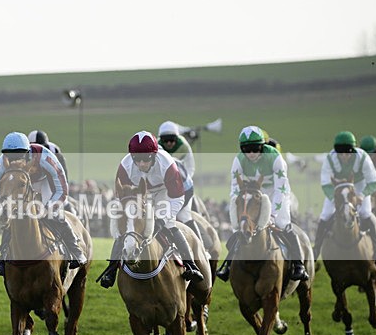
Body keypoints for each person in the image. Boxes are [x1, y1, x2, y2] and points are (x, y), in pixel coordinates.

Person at [98, 131, 204, 288]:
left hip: (165, 193)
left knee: (169, 225)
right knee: (127, 227)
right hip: (139, 195)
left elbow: (177, 197)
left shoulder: (167, 163)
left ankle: (191, 265)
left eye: (146, 159)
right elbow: (121, 197)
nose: (141, 164)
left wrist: (162, 219)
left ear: (154, 155)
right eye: (137, 159)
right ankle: (111, 270)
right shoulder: (125, 166)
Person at [215, 126, 308, 281]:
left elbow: (281, 188)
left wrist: (272, 215)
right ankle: (228, 266)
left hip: (277, 193)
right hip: (254, 194)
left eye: (255, 149)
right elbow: (235, 191)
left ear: (262, 146)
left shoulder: (275, 157)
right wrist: (238, 216)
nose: (251, 153)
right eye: (246, 149)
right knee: (240, 228)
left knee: (283, 224)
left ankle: (299, 265)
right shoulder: (238, 160)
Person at [0, 131, 86, 276]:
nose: (14, 160)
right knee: (12, 217)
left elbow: (61, 188)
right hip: (19, 183)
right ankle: (3, 257)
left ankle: (76, 251)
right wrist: (7, 205)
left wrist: (48, 208)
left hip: (45, 182)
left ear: (27, 152)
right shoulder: (0, 165)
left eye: (18, 156)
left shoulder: (44, 157)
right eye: (10, 156)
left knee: (54, 214)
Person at [312, 131, 376, 260]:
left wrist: (362, 195)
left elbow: (373, 182)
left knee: (365, 213)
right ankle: (316, 248)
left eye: (347, 153)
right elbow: (326, 184)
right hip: (338, 188)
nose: (344, 156)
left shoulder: (363, 157)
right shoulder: (330, 158)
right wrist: (334, 198)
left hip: (359, 185)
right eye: (341, 154)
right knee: (326, 214)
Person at [157, 120, 204, 242]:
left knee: (184, 216)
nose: (169, 143)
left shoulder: (184, 146)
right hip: (164, 187)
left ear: (177, 138)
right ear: (160, 139)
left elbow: (190, 168)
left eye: (172, 140)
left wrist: (177, 182)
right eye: (165, 140)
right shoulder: (156, 147)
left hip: (183, 186)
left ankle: (201, 246)